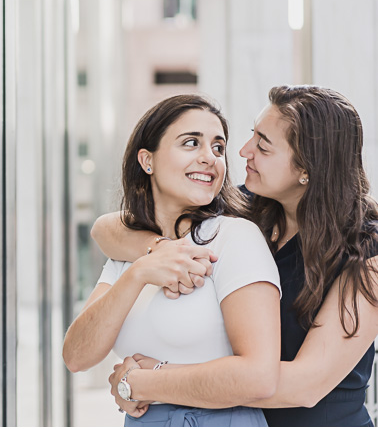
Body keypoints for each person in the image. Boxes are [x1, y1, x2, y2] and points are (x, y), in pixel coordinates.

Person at [93, 85, 378, 426]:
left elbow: (306, 385)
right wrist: (160, 251)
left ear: (308, 168)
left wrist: (147, 381)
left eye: (263, 146)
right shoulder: (243, 209)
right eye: (251, 136)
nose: (243, 151)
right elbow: (106, 229)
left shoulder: (367, 253)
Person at [63, 94, 281, 426]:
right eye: (191, 143)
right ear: (147, 160)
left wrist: (143, 383)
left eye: (218, 148)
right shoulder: (133, 251)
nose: (210, 157)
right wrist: (139, 272)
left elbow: (260, 376)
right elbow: (77, 356)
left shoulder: (235, 237)